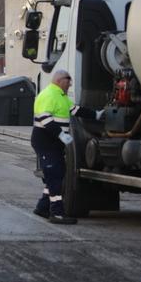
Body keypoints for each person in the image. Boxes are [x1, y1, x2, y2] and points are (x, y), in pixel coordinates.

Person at [31, 69, 104, 224]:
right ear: (59, 80)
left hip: (54, 142)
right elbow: (44, 118)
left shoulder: (61, 97)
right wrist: (61, 134)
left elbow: (75, 110)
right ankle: (57, 213)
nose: (70, 83)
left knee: (58, 173)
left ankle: (43, 207)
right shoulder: (48, 94)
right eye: (68, 79)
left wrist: (96, 114)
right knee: (54, 175)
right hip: (45, 141)